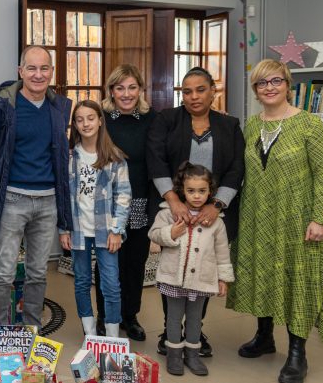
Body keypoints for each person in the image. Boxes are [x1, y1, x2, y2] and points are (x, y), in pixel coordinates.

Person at [227, 59, 323, 383]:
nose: (269, 87)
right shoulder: (253, 126)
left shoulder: (309, 124)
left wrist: (318, 218)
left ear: (287, 84)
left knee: (295, 281)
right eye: (262, 83)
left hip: (296, 220)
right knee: (263, 275)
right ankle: (264, 336)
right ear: (256, 90)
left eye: (275, 81)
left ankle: (298, 353)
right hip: (257, 216)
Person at [147, 66, 244, 356]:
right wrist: (173, 201)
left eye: (200, 89)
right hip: (175, 213)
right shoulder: (167, 120)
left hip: (213, 215)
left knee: (201, 275)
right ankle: (170, 331)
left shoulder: (229, 126)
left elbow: (236, 170)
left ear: (213, 90)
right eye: (186, 91)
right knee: (173, 273)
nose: (193, 96)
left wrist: (217, 206)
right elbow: (156, 160)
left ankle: (195, 332)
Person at [0, 45, 73, 328]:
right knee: (3, 273)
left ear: (52, 72)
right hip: (13, 200)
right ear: (21, 71)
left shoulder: (59, 108)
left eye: (44, 68)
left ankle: (32, 328)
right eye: (31, 68)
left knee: (38, 273)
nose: (38, 74)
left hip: (47, 202)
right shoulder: (5, 104)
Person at [148, 162, 233, 377]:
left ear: (210, 191)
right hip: (172, 278)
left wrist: (223, 279)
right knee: (174, 318)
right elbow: (155, 234)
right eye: (191, 191)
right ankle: (174, 354)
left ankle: (193, 354)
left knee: (195, 319)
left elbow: (223, 252)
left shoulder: (216, 222)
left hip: (201, 280)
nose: (196, 196)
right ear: (182, 190)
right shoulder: (168, 213)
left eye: (202, 191)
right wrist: (172, 232)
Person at [60, 100, 131, 338]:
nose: (85, 124)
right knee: (81, 281)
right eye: (79, 120)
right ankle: (89, 334)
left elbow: (123, 196)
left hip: (107, 232)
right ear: (74, 125)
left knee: (111, 285)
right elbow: (63, 196)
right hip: (78, 230)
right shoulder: (69, 157)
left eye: (90, 118)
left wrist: (117, 230)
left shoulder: (115, 157)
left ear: (100, 120)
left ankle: (112, 337)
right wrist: (64, 229)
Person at [99, 64, 158, 341]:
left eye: (132, 87)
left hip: (139, 201)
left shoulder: (152, 119)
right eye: (120, 87)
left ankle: (130, 316)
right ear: (111, 90)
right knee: (108, 263)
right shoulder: (101, 118)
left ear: (140, 89)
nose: (126, 93)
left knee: (135, 263)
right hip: (106, 204)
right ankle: (105, 316)